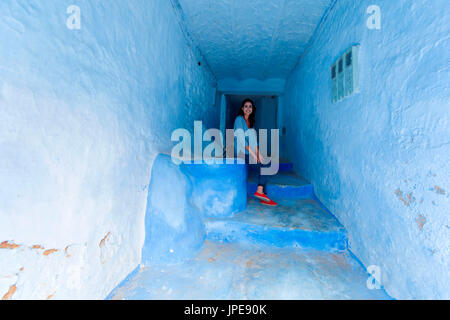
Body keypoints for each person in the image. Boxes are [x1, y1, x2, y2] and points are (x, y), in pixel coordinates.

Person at [234, 99, 277, 206]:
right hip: (241, 152)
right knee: (266, 165)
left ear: (252, 109)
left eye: (250, 107)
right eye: (246, 106)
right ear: (242, 109)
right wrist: (254, 155)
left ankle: (262, 194)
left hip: (248, 153)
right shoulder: (239, 119)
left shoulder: (250, 123)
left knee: (266, 162)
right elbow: (241, 140)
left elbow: (254, 142)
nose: (248, 108)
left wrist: (259, 154)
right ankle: (260, 192)